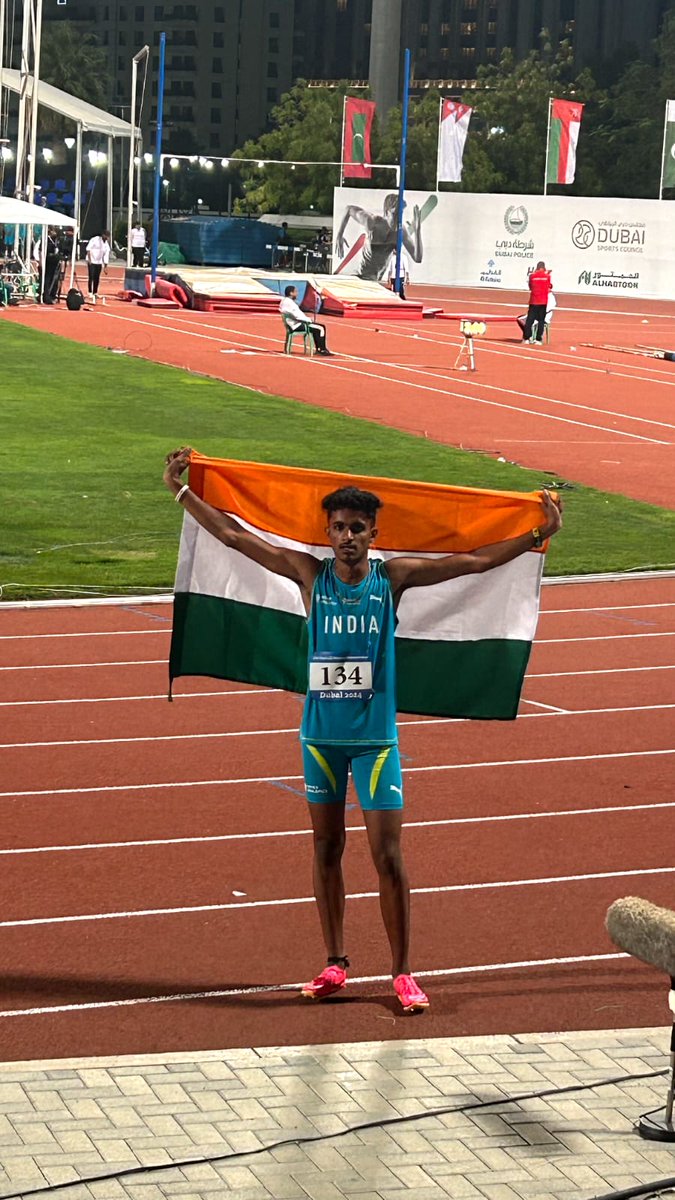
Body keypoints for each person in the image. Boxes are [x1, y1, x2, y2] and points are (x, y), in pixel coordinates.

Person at [163, 448, 563, 1011]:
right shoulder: (308, 575)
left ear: (374, 533)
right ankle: (335, 962)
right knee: (326, 848)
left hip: (375, 742)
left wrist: (537, 535)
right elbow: (236, 540)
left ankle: (402, 973)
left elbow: (472, 562)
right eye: (338, 528)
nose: (347, 536)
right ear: (326, 533)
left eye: (357, 528)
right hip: (320, 739)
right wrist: (181, 491)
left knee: (388, 857)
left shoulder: (392, 579)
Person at [335, 193, 422, 283]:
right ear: (387, 212)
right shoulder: (372, 222)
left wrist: (417, 231)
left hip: (375, 280)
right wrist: (339, 235)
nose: (397, 219)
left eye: (400, 214)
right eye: (394, 214)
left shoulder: (401, 231)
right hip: (360, 276)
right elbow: (349, 209)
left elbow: (417, 258)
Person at [280, 284, 333, 356]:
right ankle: (322, 349)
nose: (297, 294)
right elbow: (297, 316)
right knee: (321, 328)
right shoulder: (290, 303)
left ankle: (319, 348)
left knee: (317, 327)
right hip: (297, 324)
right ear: (291, 293)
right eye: (295, 292)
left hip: (294, 323)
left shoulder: (285, 301)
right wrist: (308, 320)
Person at [522, 261, 552, 345]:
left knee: (529, 320)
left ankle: (526, 338)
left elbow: (530, 287)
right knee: (541, 321)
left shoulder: (532, 276)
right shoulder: (547, 276)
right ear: (543, 268)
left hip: (534, 301)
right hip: (543, 301)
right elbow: (548, 286)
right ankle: (538, 339)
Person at [85, 230, 110, 305]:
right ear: (103, 235)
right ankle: (90, 292)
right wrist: (89, 259)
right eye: (106, 236)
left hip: (99, 262)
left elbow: (106, 254)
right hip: (92, 261)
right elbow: (88, 249)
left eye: (108, 237)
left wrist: (105, 266)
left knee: (97, 277)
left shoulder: (106, 244)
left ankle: (95, 292)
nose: (107, 238)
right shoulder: (95, 239)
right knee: (91, 276)